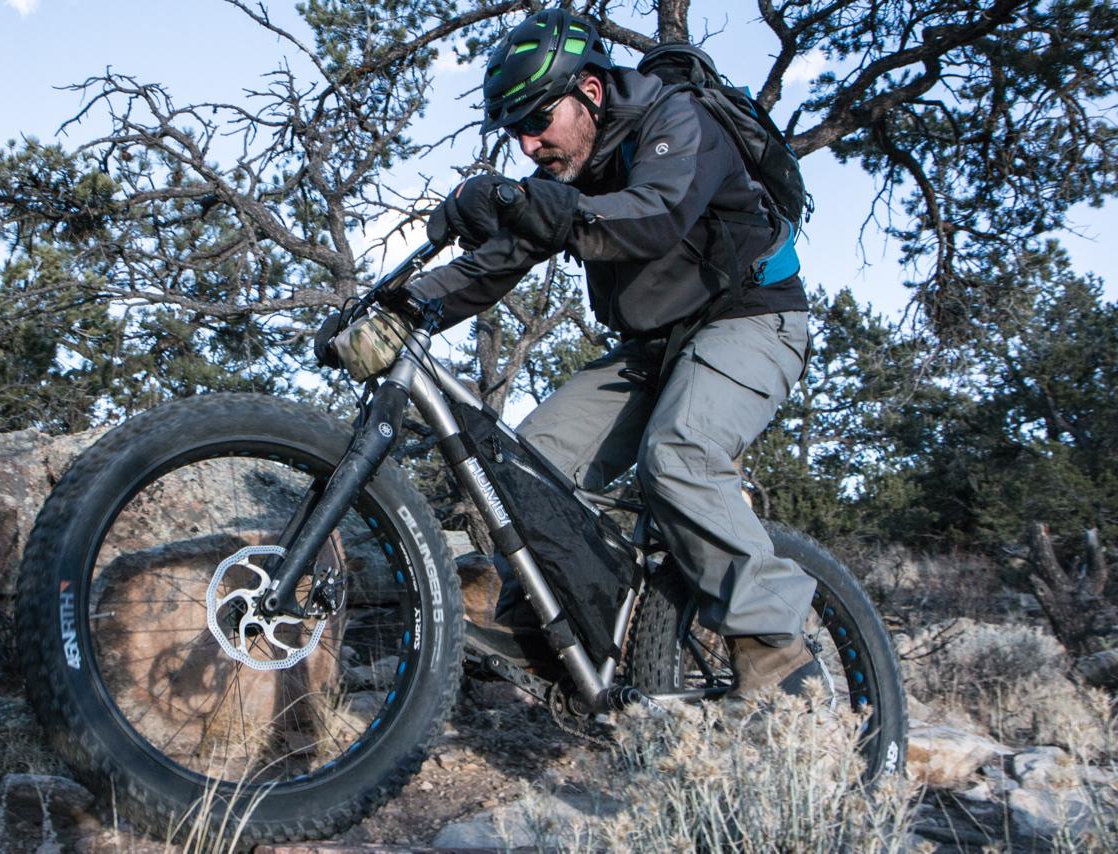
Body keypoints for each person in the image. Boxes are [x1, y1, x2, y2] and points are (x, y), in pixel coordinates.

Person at [325, 9, 822, 700]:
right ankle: (553, 633)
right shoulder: (575, 162)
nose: (528, 144)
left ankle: (781, 660)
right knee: (531, 465)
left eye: (537, 120)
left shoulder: (680, 121)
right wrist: (403, 306)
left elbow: (656, 213)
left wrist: (524, 200)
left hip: (751, 320)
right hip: (654, 348)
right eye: (515, 132)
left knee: (679, 456)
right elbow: (502, 261)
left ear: (589, 88)